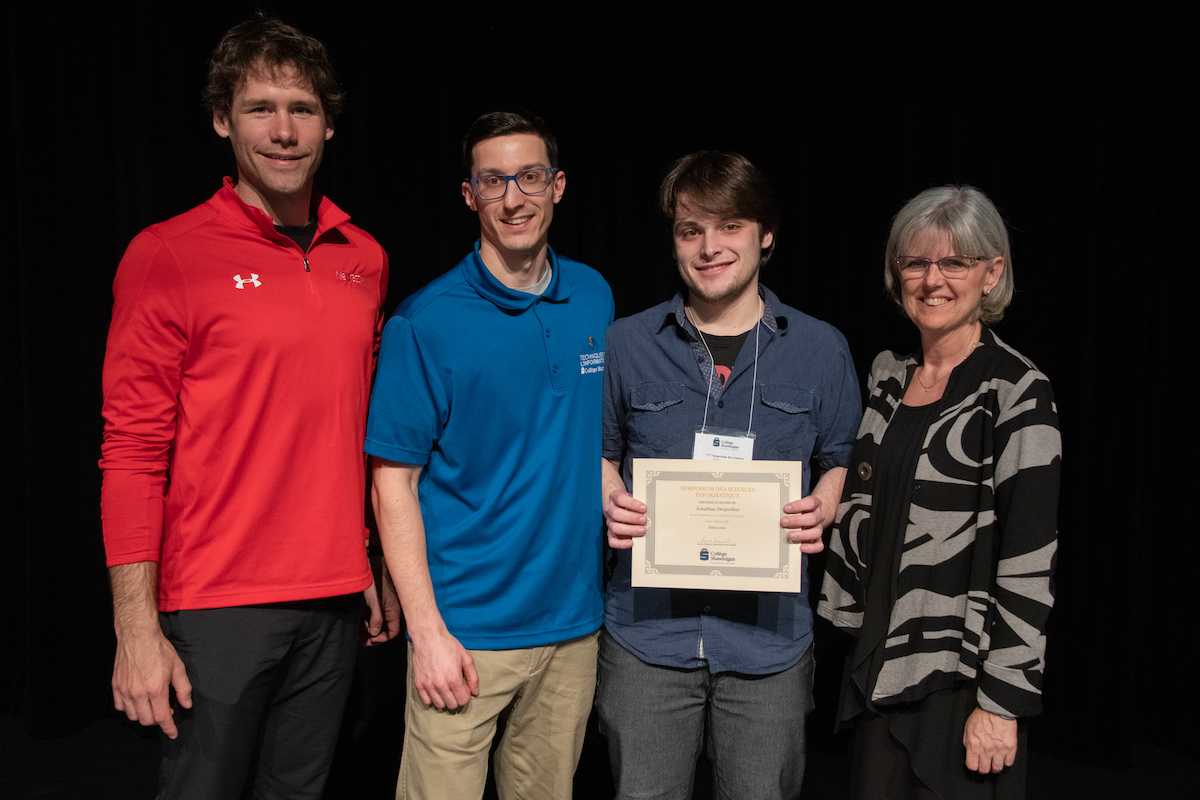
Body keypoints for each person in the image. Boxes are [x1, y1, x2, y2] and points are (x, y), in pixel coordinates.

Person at [99, 13, 396, 799]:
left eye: (302, 108)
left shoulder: (362, 257)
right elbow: (131, 452)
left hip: (333, 601)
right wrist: (135, 628)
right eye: (260, 108)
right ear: (223, 120)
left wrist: (362, 555)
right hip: (216, 608)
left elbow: (350, 430)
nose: (284, 130)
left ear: (329, 122)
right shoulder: (167, 254)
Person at [365, 110, 614, 800]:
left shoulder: (594, 296)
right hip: (466, 633)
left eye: (530, 176)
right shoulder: (428, 321)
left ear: (558, 186)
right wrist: (428, 635)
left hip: (572, 627)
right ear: (470, 195)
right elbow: (393, 485)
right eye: (494, 181)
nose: (514, 197)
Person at [599, 151, 862, 799]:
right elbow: (599, 453)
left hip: (768, 645)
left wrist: (827, 502)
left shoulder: (820, 347)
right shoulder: (627, 343)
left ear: (765, 235)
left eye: (730, 227)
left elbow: (846, 459)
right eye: (691, 231)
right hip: (647, 641)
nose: (709, 247)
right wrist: (610, 494)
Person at [818, 185, 1061, 799]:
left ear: (992, 273)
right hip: (882, 664)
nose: (933, 280)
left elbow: (1031, 558)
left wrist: (1002, 703)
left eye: (955, 262)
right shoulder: (887, 376)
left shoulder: (1016, 392)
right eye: (916, 262)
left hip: (963, 683)